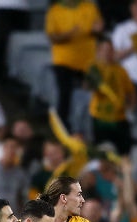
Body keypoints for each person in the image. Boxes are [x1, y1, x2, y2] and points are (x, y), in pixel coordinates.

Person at [45, 0, 104, 130]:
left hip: (88, 60)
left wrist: (97, 30)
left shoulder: (90, 7)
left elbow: (98, 31)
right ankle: (62, 127)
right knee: (65, 94)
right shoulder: (55, 11)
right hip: (64, 60)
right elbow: (53, 37)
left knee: (99, 92)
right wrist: (69, 34)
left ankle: (99, 124)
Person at [87, 38, 136, 156]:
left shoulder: (121, 70)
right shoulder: (94, 69)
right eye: (105, 50)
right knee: (101, 152)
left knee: (124, 153)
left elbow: (130, 92)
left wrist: (130, 107)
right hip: (100, 117)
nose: (108, 53)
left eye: (110, 50)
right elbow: (94, 87)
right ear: (98, 51)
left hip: (119, 117)